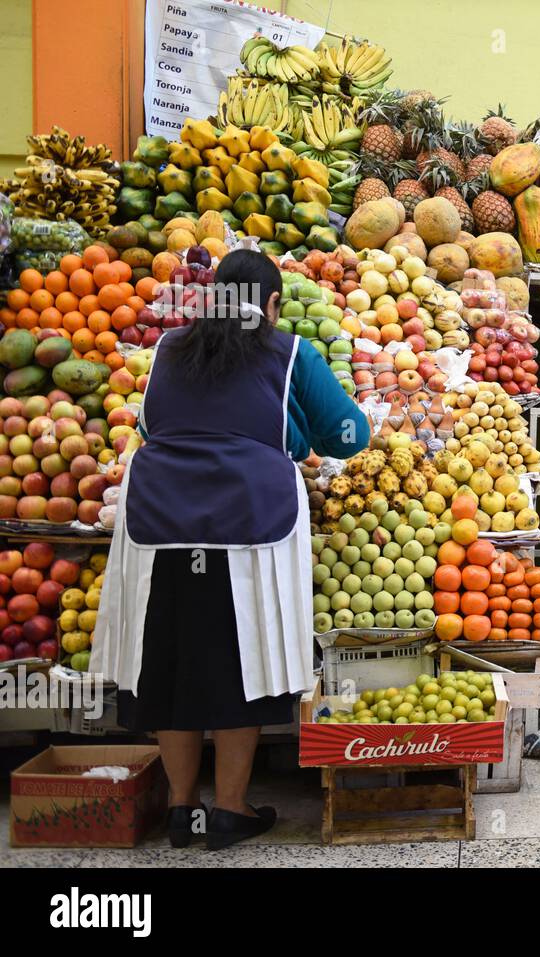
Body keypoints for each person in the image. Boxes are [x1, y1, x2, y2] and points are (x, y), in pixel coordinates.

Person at [91, 249, 370, 851]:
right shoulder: (291, 351)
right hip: (250, 528)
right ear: (272, 305)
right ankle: (231, 808)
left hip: (159, 526)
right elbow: (351, 433)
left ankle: (182, 810)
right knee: (239, 663)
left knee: (169, 663)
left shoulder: (169, 348)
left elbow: (149, 428)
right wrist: (296, 432)